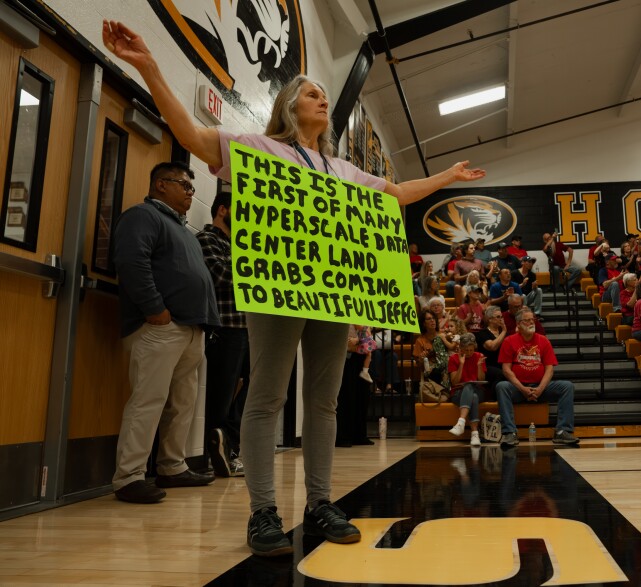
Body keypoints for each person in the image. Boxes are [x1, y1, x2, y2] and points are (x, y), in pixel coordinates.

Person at [102, 19, 487, 554]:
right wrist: (147, 66)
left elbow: (395, 193)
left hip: (330, 295)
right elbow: (191, 134)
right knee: (265, 399)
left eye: (325, 94)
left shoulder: (345, 169)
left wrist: (444, 178)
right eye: (312, 92)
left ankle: (321, 502)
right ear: (289, 105)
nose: (322, 98)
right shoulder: (256, 148)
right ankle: (262, 511)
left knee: (323, 403)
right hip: (276, 292)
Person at [110, 161, 220, 504]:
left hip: (190, 328)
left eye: (192, 188)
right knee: (148, 400)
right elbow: (131, 261)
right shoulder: (143, 216)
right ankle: (128, 477)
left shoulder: (183, 230)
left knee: (183, 402)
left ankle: (171, 466)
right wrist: (155, 309)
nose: (191, 193)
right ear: (161, 185)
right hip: (160, 327)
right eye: (185, 186)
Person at [198, 192, 247, 478]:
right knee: (222, 393)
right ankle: (215, 454)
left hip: (247, 328)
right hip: (226, 328)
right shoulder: (207, 240)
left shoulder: (238, 244)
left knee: (243, 394)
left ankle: (231, 449)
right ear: (222, 210)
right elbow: (221, 277)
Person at [496, 309, 579, 448]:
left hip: (541, 387)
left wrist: (540, 389)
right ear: (518, 324)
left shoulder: (543, 340)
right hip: (518, 388)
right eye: (527, 320)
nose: (531, 322)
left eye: (532, 319)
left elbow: (550, 369)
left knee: (567, 386)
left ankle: (562, 431)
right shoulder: (509, 341)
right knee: (501, 386)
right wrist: (522, 389)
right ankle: (510, 433)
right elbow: (506, 370)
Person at [335, 326, 373, 448]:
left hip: (361, 358)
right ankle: (343, 436)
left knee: (361, 398)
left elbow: (369, 340)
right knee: (346, 397)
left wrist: (357, 340)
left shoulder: (364, 319)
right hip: (347, 358)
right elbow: (347, 343)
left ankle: (359, 435)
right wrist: (359, 340)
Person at [447, 333, 487, 446]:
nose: (469, 353)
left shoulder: (479, 356)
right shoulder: (454, 358)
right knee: (471, 394)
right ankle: (475, 434)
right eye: (466, 350)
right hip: (458, 393)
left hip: (478, 390)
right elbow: (454, 382)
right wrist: (461, 364)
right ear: (461, 348)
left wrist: (479, 365)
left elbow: (482, 379)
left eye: (471, 350)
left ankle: (461, 422)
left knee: (471, 388)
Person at [475, 305, 508, 395]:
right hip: (487, 365)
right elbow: (492, 347)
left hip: (503, 364)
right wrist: (504, 331)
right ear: (490, 319)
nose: (501, 319)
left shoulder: (502, 333)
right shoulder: (482, 333)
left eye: (501, 317)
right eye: (498, 317)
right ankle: (493, 397)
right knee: (501, 374)